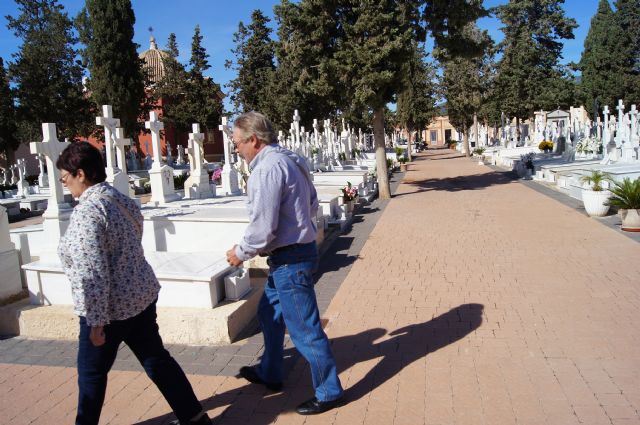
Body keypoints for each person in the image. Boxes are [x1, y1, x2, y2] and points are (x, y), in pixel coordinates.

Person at [56, 142, 211, 425]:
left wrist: (96, 322)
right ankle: (195, 417)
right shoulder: (120, 200)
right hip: (140, 297)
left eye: (65, 178)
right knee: (156, 360)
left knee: (91, 374)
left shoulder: (88, 212)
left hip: (109, 310)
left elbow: (92, 272)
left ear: (80, 174)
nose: (64, 184)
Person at [226, 111, 345, 415]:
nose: (235, 149)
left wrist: (241, 251)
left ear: (253, 139)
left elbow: (263, 226)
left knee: (304, 329)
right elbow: (312, 202)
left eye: (237, 143)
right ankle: (271, 371)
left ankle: (329, 391)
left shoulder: (267, 168)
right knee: (268, 313)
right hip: (294, 253)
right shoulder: (291, 158)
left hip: (290, 258)